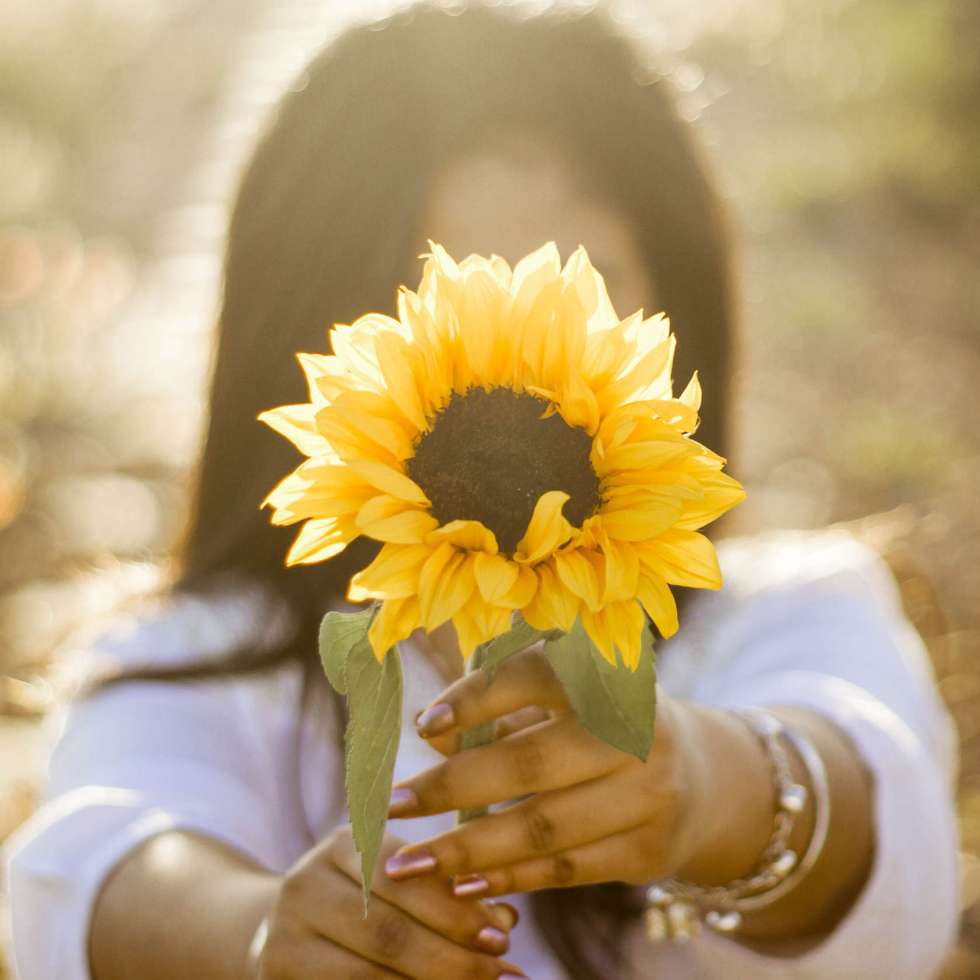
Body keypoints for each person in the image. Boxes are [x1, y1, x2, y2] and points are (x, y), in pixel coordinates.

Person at [3, 4, 960, 979]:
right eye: (430, 292)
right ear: (303, 337)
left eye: (580, 288)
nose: (505, 342)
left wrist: (716, 789)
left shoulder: (785, 612)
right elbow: (108, 856)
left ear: (677, 317)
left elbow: (876, 822)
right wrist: (260, 936)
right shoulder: (201, 658)